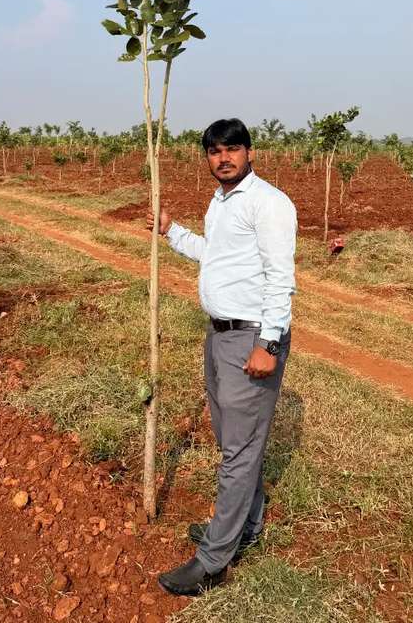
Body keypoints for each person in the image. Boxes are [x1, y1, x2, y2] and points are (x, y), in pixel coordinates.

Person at [148, 117, 297, 597]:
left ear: (250, 152)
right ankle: (245, 528)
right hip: (220, 337)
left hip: (251, 338)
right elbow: (217, 256)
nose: (224, 158)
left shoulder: (269, 204)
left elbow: (280, 278)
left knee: (238, 452)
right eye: (214, 151)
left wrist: (268, 345)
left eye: (233, 149)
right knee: (235, 443)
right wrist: (172, 232)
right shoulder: (222, 202)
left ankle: (214, 560)